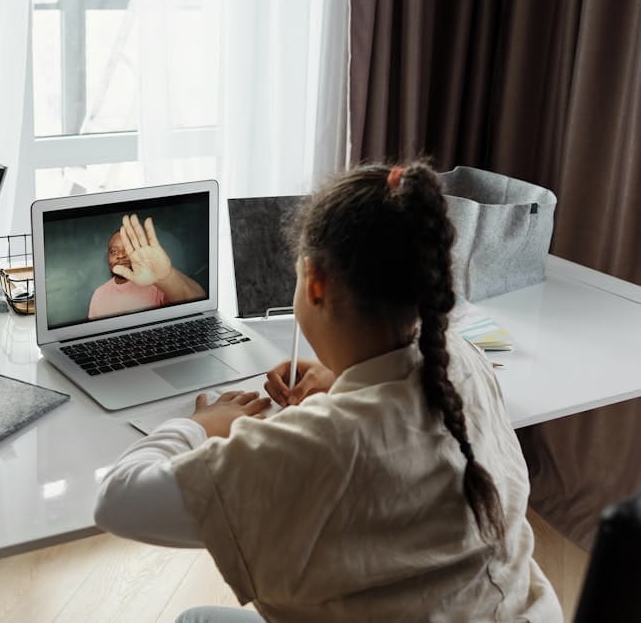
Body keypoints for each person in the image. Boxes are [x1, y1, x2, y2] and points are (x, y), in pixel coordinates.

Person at [94, 162, 563, 622]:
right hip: (518, 612)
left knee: (193, 619)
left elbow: (117, 500)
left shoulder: (312, 448)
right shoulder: (464, 361)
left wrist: (199, 426)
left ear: (314, 282)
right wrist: (342, 374)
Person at [88, 213, 206, 319]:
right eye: (114, 251)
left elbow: (198, 304)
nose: (120, 255)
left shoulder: (157, 284)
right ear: (108, 257)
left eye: (127, 250)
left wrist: (167, 277)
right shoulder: (98, 294)